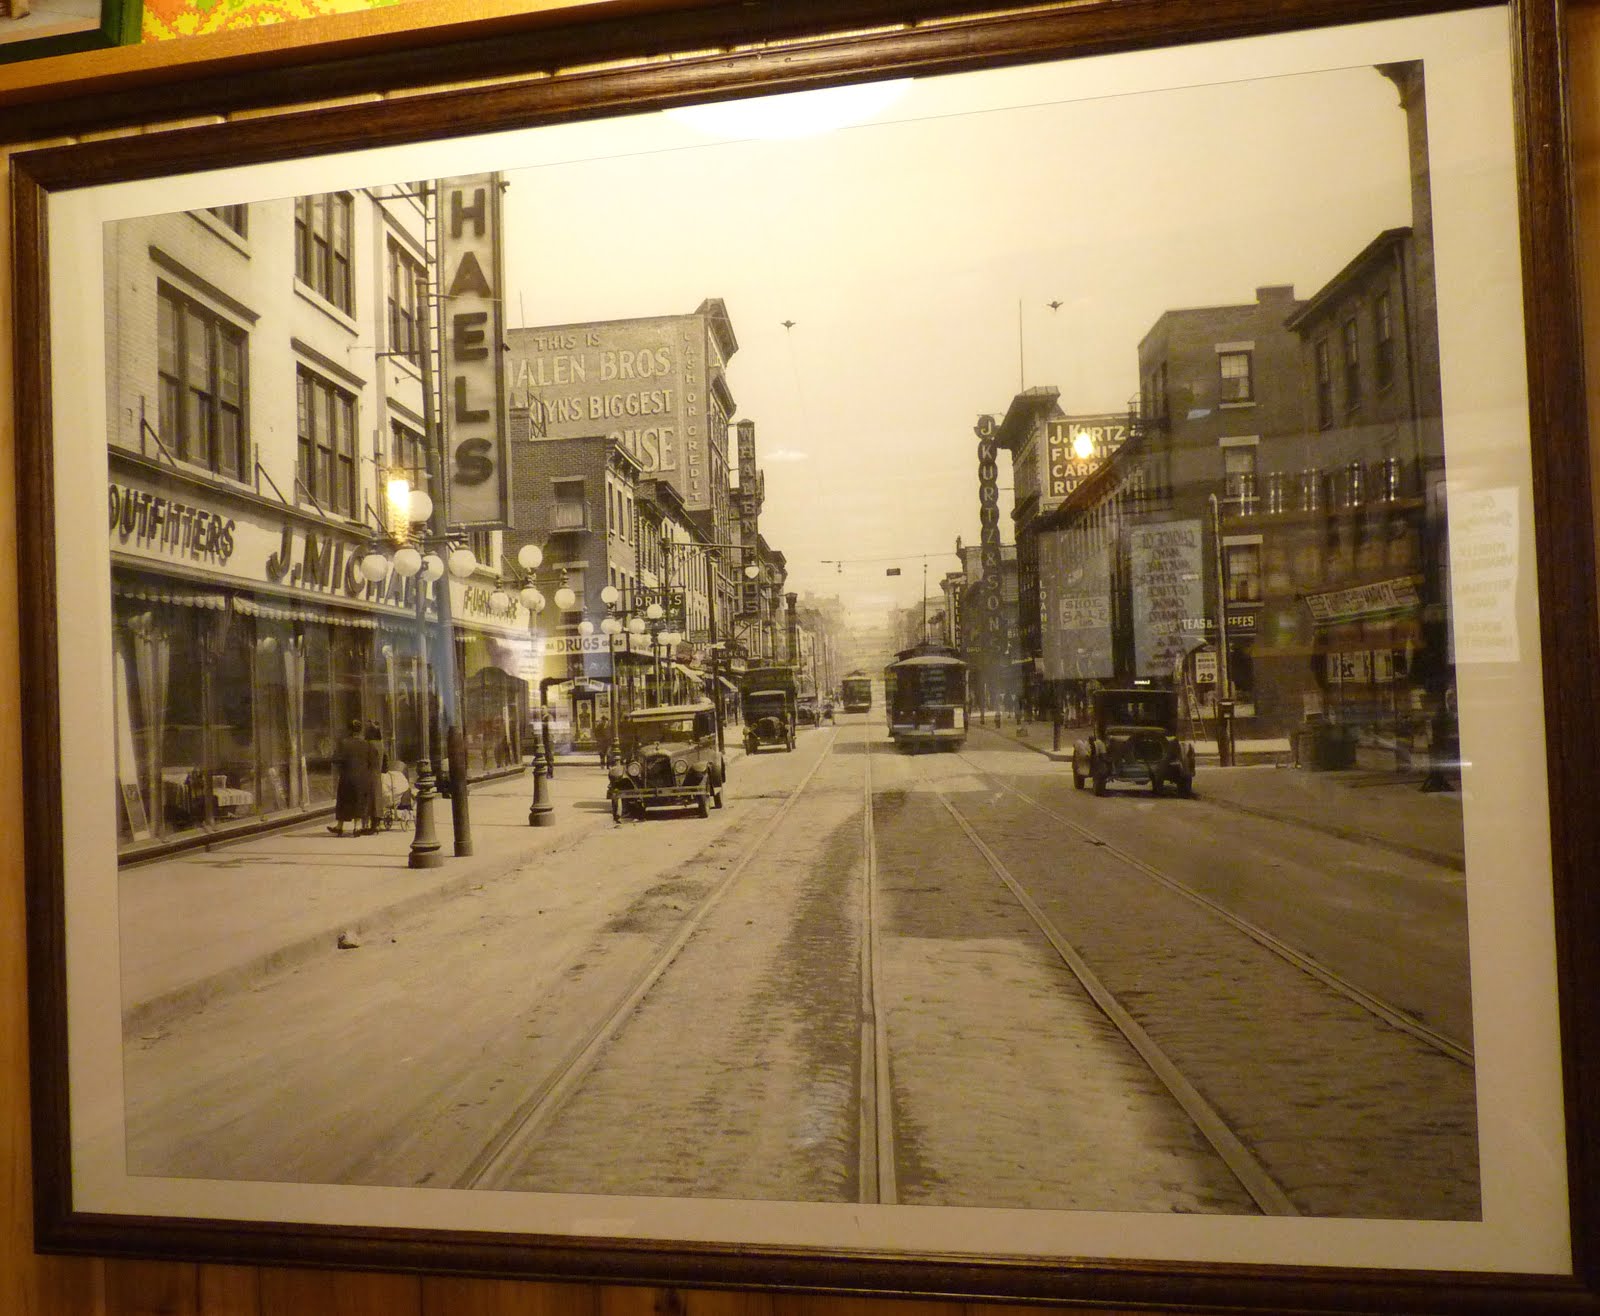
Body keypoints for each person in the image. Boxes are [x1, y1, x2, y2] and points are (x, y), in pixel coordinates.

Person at [328, 718, 371, 836]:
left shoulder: (344, 743)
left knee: (344, 800)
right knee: (359, 799)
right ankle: (357, 827)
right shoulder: (366, 744)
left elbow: (335, 759)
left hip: (347, 776)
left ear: (349, 730)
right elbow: (371, 761)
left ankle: (340, 826)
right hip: (362, 777)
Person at [363, 721, 387, 835]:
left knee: (369, 799)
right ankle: (376, 823)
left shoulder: (369, 744)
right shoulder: (381, 744)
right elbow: (386, 761)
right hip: (378, 774)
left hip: (369, 773)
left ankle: (368, 825)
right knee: (377, 798)